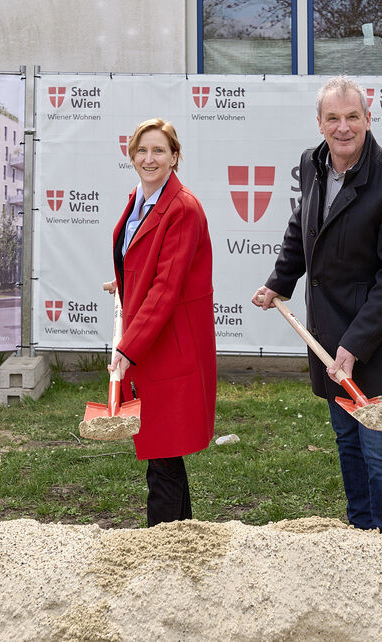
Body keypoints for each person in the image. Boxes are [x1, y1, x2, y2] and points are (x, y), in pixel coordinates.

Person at [251, 76, 382, 534]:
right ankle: (361, 533)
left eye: (352, 117)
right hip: (327, 333)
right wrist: (278, 282)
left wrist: (356, 343)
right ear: (320, 122)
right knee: (347, 439)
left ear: (369, 120)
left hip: (376, 338)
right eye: (333, 118)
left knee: (378, 445)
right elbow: (302, 227)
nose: (343, 127)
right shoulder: (313, 164)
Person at [107, 118, 215, 527]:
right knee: (163, 451)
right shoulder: (140, 198)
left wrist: (127, 347)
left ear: (174, 157)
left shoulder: (182, 207)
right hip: (151, 338)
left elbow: (167, 286)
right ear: (131, 155)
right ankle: (181, 536)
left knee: (162, 450)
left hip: (168, 343)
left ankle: (162, 545)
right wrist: (123, 281)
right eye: (142, 150)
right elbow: (142, 263)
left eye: (159, 151)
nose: (149, 158)